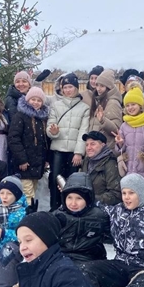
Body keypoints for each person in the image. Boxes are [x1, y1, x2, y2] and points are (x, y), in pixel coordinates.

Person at [15, 211, 96, 287]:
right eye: (20, 242)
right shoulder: (33, 271)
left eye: (28, 240)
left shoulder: (66, 274)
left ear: (47, 239)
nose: (22, 247)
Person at [46, 73, 90, 211]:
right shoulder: (56, 106)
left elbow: (83, 131)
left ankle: (69, 209)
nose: (67, 90)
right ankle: (54, 209)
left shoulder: (84, 108)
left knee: (72, 182)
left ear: (76, 88)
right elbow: (50, 126)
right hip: (58, 150)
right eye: (65, 87)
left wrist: (78, 152)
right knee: (55, 180)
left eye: (70, 87)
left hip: (73, 152)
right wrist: (53, 132)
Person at [54, 172, 110, 263]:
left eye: (79, 198)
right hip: (62, 258)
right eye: (69, 198)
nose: (73, 203)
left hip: (89, 260)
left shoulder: (99, 216)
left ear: (88, 199)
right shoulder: (58, 216)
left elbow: (112, 236)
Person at [8, 87, 49, 201]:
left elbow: (45, 141)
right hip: (25, 164)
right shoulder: (20, 116)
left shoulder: (42, 119)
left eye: (39, 100)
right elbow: (14, 138)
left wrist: (46, 159)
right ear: (27, 100)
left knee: (34, 192)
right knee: (27, 194)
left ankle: (32, 214)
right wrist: (22, 159)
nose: (35, 102)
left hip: (37, 163)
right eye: (33, 99)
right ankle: (26, 216)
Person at [114, 86, 144, 190]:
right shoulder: (124, 125)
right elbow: (119, 150)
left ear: (141, 105)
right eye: (127, 105)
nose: (130, 108)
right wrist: (120, 144)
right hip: (128, 172)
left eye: (133, 104)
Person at [81, 131, 122, 205]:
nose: (89, 148)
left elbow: (116, 194)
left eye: (92, 144)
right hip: (85, 205)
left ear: (103, 145)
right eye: (87, 145)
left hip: (101, 209)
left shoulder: (110, 163)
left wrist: (92, 199)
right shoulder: (86, 161)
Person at [88, 69, 123, 151]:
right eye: (97, 85)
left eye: (102, 86)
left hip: (106, 149)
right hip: (96, 148)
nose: (98, 89)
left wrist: (103, 121)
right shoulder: (98, 100)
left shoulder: (113, 103)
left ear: (109, 87)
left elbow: (116, 129)